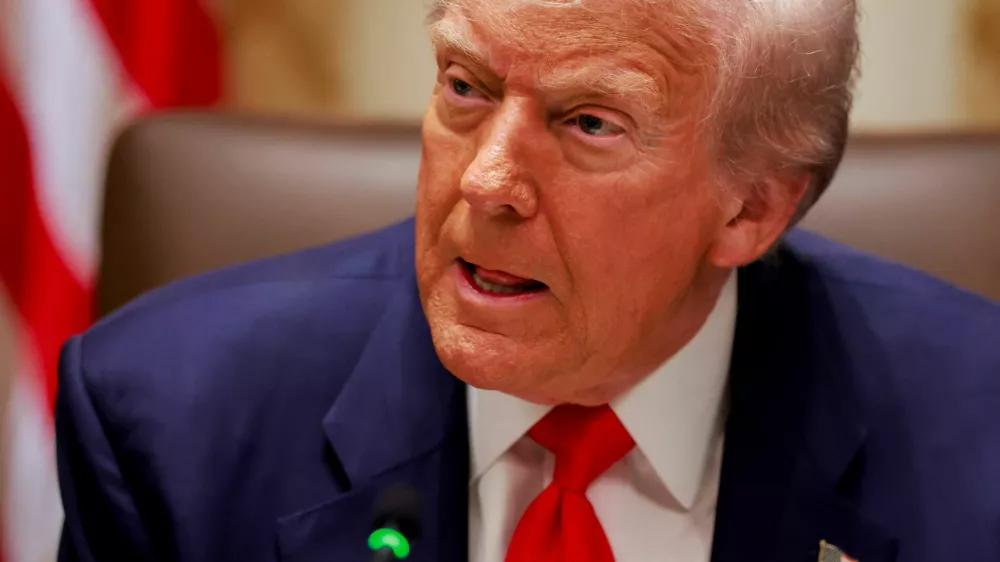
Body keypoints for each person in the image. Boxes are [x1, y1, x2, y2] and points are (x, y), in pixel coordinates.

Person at [55, 0, 1000, 561]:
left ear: (751, 209)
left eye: (590, 122)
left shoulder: (980, 440)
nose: (486, 180)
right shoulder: (168, 423)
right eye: (465, 86)